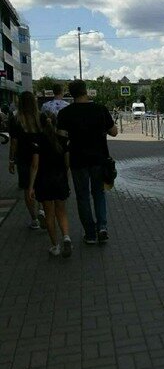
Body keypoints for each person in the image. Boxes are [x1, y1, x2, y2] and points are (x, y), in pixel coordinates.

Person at [57, 80, 118, 244]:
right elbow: (114, 132)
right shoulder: (100, 109)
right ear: (86, 91)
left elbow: (61, 139)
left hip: (77, 161)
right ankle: (102, 228)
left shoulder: (65, 113)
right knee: (99, 193)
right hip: (99, 160)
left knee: (82, 197)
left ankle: (90, 234)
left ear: (71, 94)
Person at [28, 113, 72, 257]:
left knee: (49, 214)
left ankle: (55, 246)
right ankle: (66, 237)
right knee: (62, 211)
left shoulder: (37, 140)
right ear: (55, 123)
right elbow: (67, 164)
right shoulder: (63, 139)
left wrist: (31, 186)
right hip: (60, 180)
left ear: (40, 124)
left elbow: (35, 165)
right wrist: (65, 177)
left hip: (44, 181)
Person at [8, 91, 45, 229]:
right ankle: (42, 209)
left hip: (23, 158)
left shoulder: (15, 119)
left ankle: (34, 219)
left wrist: (11, 160)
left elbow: (14, 143)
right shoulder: (41, 117)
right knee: (40, 183)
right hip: (41, 156)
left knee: (26, 186)